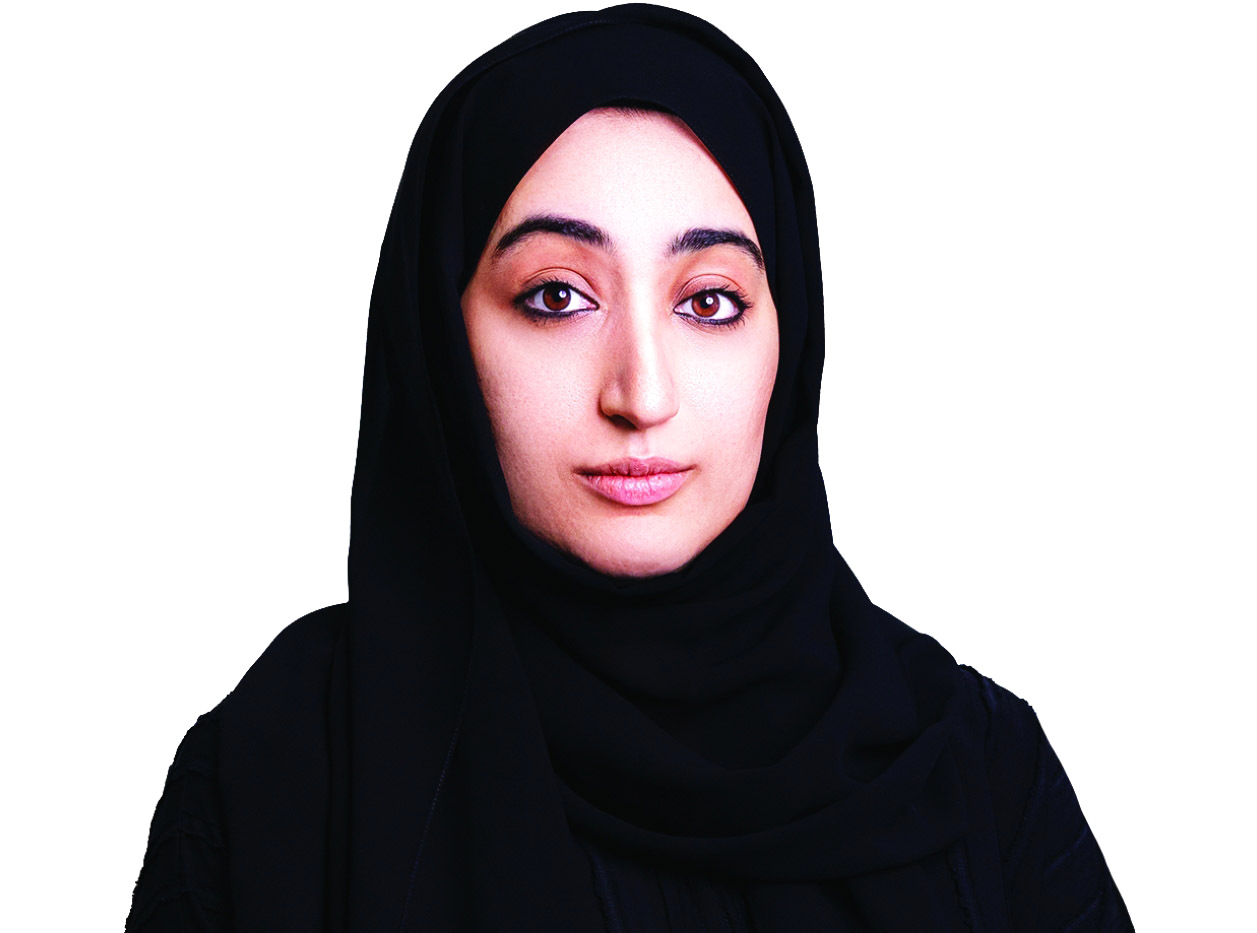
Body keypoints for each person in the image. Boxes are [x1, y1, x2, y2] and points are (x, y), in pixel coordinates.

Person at [125, 5, 1133, 931]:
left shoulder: (972, 764)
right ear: (441, 338)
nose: (641, 394)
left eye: (709, 301)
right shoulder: (279, 768)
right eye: (556, 297)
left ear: (788, 341)